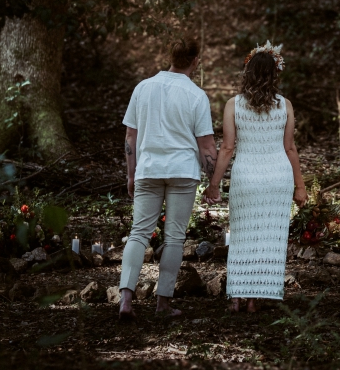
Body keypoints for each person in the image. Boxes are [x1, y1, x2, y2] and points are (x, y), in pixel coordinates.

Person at [117, 38, 216, 321]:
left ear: (170, 57)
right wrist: (213, 182)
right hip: (182, 171)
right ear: (195, 60)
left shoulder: (143, 88)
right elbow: (207, 147)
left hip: (148, 168)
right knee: (174, 237)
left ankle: (126, 298)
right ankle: (162, 303)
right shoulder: (196, 95)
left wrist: (131, 173)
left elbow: (130, 138)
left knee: (139, 232)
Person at [204, 42, 307, 312]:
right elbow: (290, 148)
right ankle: (255, 299)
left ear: (247, 72)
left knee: (242, 236)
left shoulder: (233, 105)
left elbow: (227, 148)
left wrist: (214, 184)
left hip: (246, 177)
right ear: (275, 74)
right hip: (277, 178)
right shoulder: (285, 105)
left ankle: (237, 297)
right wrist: (300, 186)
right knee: (269, 238)